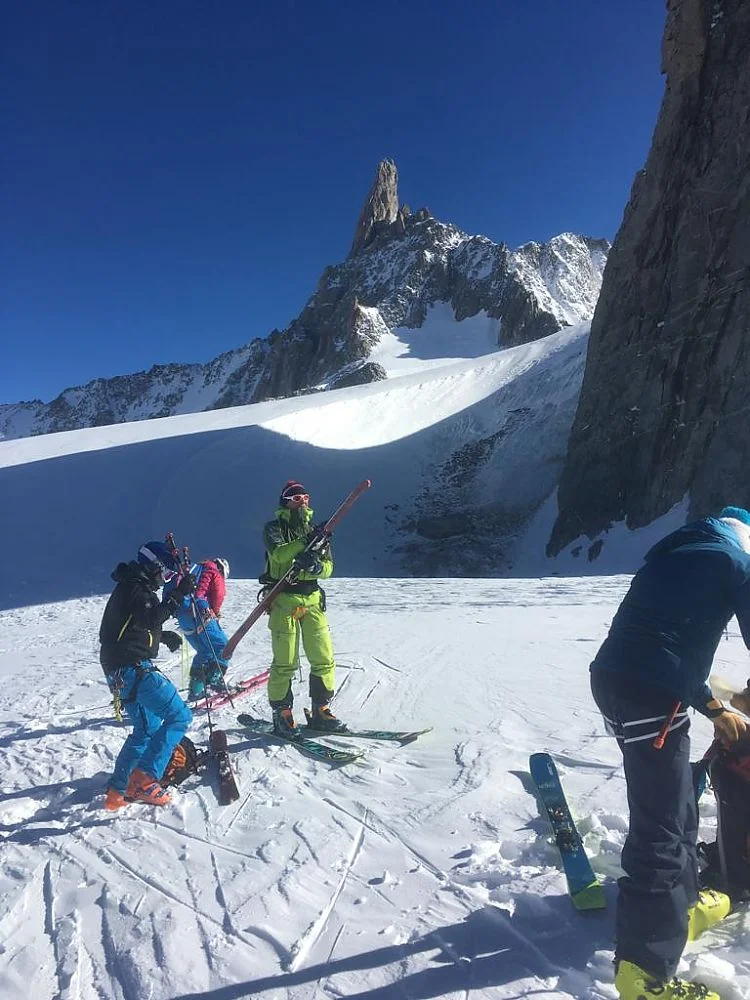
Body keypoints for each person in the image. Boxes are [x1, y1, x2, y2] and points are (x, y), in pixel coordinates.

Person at [590, 506, 750, 1000]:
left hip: (619, 683)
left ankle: (670, 914)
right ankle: (644, 976)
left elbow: (665, 643)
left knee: (677, 810)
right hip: (650, 698)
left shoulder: (682, 553)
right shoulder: (735, 562)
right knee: (661, 828)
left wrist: (713, 707)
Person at [99, 540, 196, 809]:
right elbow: (147, 618)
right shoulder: (136, 588)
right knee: (179, 716)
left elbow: (132, 625)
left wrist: (160, 636)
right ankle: (145, 778)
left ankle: (118, 791)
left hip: (118, 668)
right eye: (164, 573)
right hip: (133, 667)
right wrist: (177, 596)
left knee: (146, 729)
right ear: (154, 566)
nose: (164, 579)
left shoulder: (129, 586)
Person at [261, 480, 345, 734]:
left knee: (323, 657)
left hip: (312, 599)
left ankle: (320, 709)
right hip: (284, 598)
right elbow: (278, 554)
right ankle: (282, 712)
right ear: (285, 502)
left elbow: (328, 567)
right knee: (285, 660)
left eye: (305, 497)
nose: (303, 501)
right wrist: (304, 543)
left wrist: (317, 567)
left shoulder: (318, 532)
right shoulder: (274, 528)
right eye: (296, 498)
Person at [165, 557, 231, 700]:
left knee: (205, 651)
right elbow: (218, 593)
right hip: (200, 611)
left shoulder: (193, 570)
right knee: (223, 647)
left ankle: (196, 690)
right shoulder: (213, 571)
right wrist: (215, 610)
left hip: (182, 618)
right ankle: (215, 681)